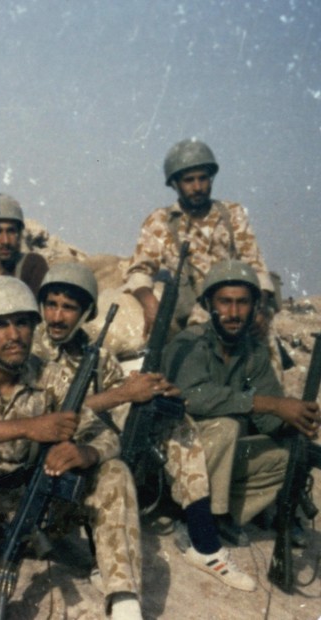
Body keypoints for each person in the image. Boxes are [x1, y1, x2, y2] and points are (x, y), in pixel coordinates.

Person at [0, 276, 144, 620]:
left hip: (38, 514)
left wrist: (85, 453)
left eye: (22, 323)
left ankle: (125, 600)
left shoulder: (50, 376)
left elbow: (105, 434)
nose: (14, 335)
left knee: (113, 470)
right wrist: (26, 427)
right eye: (0, 325)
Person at [32, 262, 256, 590]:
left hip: (89, 447)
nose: (56, 316)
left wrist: (152, 390)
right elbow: (46, 414)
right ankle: (101, 552)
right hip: (44, 460)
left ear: (86, 312)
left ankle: (204, 542)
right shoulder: (31, 348)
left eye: (68, 307)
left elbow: (120, 392)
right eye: (51, 305)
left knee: (169, 420)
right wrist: (122, 394)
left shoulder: (98, 355)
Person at [163, 260, 319, 545]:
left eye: (242, 303)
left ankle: (225, 512)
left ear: (255, 307)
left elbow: (269, 420)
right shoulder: (189, 343)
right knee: (226, 426)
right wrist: (271, 404)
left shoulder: (253, 352)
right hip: (177, 456)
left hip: (218, 461)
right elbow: (192, 397)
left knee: (291, 453)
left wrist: (296, 419)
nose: (233, 313)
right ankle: (187, 513)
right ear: (208, 304)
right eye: (225, 302)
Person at [124, 139, 276, 337]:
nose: (197, 187)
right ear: (175, 184)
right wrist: (149, 303)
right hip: (190, 317)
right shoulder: (160, 221)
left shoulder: (233, 214)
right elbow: (139, 271)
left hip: (235, 310)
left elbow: (257, 268)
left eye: (203, 178)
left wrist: (260, 308)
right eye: (189, 180)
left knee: (270, 342)